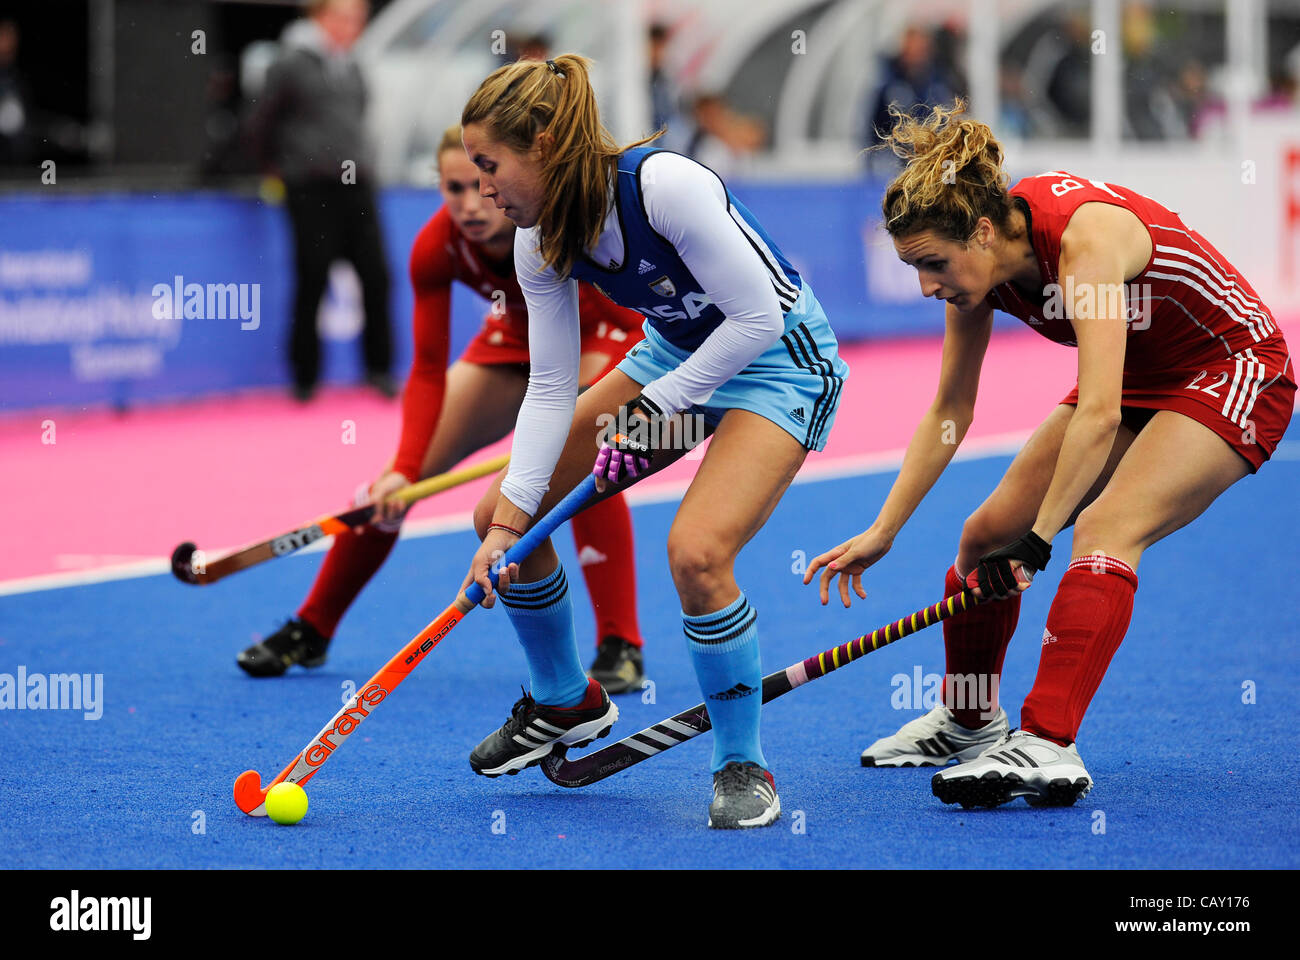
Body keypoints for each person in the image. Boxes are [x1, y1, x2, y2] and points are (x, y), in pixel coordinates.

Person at [805, 100, 1294, 808]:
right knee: (982, 537)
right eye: (916, 270)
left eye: (934, 265)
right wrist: (885, 530)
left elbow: (1096, 414)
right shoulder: (977, 273)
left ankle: (1049, 742)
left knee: (1104, 529)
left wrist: (1037, 544)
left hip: (1231, 369)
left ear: (979, 229)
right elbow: (950, 410)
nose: (927, 287)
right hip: (1139, 376)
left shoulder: (1085, 242)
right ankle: (969, 722)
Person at [457, 55, 848, 829]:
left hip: (779, 365)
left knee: (697, 554)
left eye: (489, 167)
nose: (483, 191)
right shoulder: (538, 241)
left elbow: (758, 320)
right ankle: (567, 702)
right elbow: (547, 388)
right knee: (498, 515)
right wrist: (508, 528)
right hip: (675, 353)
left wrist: (660, 408)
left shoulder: (662, 185)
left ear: (541, 141)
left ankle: (742, 763)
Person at [238, 125, 651, 694]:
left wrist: (561, 431)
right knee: (393, 483)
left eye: (481, 184)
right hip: (512, 347)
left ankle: (620, 644)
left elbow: (637, 329)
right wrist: (405, 468)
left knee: (582, 460)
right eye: (452, 188)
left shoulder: (566, 223)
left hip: (601, 337)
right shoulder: (437, 246)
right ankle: (312, 627)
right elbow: (428, 370)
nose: (468, 203)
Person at [245, 0, 395, 401]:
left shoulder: (352, 65)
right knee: (312, 276)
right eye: (344, 18)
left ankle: (378, 370)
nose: (353, 27)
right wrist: (278, 169)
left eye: (359, 20)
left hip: (357, 183)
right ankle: (305, 378)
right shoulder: (290, 62)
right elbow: (261, 121)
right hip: (310, 187)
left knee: (376, 275)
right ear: (319, 17)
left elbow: (359, 114)